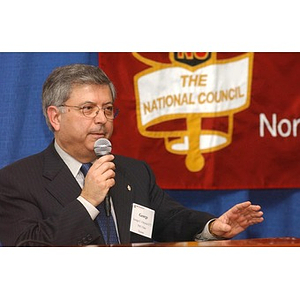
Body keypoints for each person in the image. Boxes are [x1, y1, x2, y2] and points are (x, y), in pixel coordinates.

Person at [0, 64, 264, 246]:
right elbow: (28, 248)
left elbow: (168, 219)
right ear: (55, 117)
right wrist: (88, 201)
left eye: (107, 109)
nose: (101, 119)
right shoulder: (17, 181)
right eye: (88, 109)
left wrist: (212, 227)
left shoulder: (134, 172)